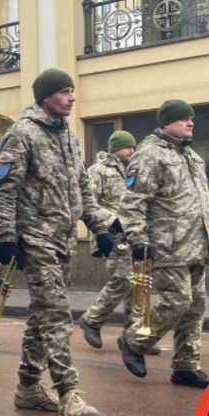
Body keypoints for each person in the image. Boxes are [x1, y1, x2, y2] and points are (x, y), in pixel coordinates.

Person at [0, 69, 114, 416]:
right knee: (57, 313)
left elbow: (83, 188)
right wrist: (7, 237)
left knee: (41, 316)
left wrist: (99, 227)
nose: (72, 97)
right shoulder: (22, 134)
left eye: (73, 91)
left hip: (63, 238)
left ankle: (27, 386)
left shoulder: (69, 138)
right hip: (35, 238)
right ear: (46, 97)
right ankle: (68, 394)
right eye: (64, 91)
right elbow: (5, 191)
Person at [116, 100, 209, 390]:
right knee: (179, 301)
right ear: (166, 123)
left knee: (195, 307)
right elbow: (133, 203)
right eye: (184, 119)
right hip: (167, 246)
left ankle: (186, 365)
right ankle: (135, 341)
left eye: (192, 119)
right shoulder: (150, 155)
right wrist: (138, 240)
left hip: (197, 245)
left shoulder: (192, 157)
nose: (190, 123)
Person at [78, 132, 159, 355]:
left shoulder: (132, 171)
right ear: (115, 148)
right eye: (128, 148)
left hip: (134, 234)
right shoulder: (99, 171)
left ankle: (135, 335)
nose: (132, 151)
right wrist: (111, 220)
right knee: (122, 279)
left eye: (134, 147)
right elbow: (88, 203)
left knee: (139, 284)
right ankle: (92, 320)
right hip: (112, 234)